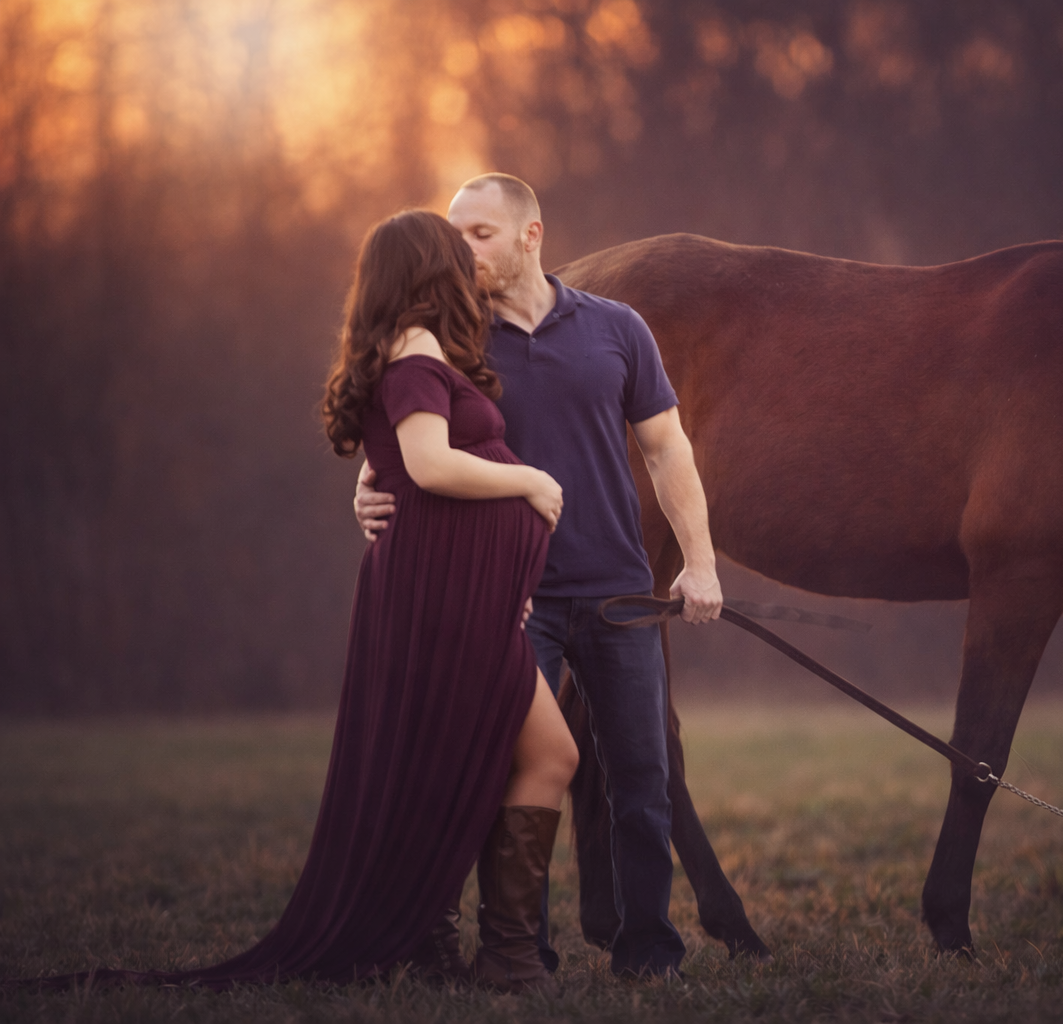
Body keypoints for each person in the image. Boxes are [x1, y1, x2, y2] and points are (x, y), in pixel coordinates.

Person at [17, 210, 578, 993]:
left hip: (461, 592)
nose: (467, 269)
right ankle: (485, 953)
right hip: (441, 596)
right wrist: (532, 483)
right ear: (426, 273)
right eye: (455, 256)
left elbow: (404, 464)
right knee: (530, 756)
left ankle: (463, 946)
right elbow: (428, 465)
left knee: (493, 759)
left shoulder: (416, 354)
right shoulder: (416, 356)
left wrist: (502, 572)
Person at [355, 173, 723, 978]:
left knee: (642, 777)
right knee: (506, 767)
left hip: (620, 589)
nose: (462, 249)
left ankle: (648, 950)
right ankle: (521, 948)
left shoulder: (618, 329)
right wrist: (369, 482)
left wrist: (698, 562)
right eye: (455, 236)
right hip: (510, 596)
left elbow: (667, 448)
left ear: (531, 234)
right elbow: (408, 428)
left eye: (479, 233)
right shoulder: (452, 339)